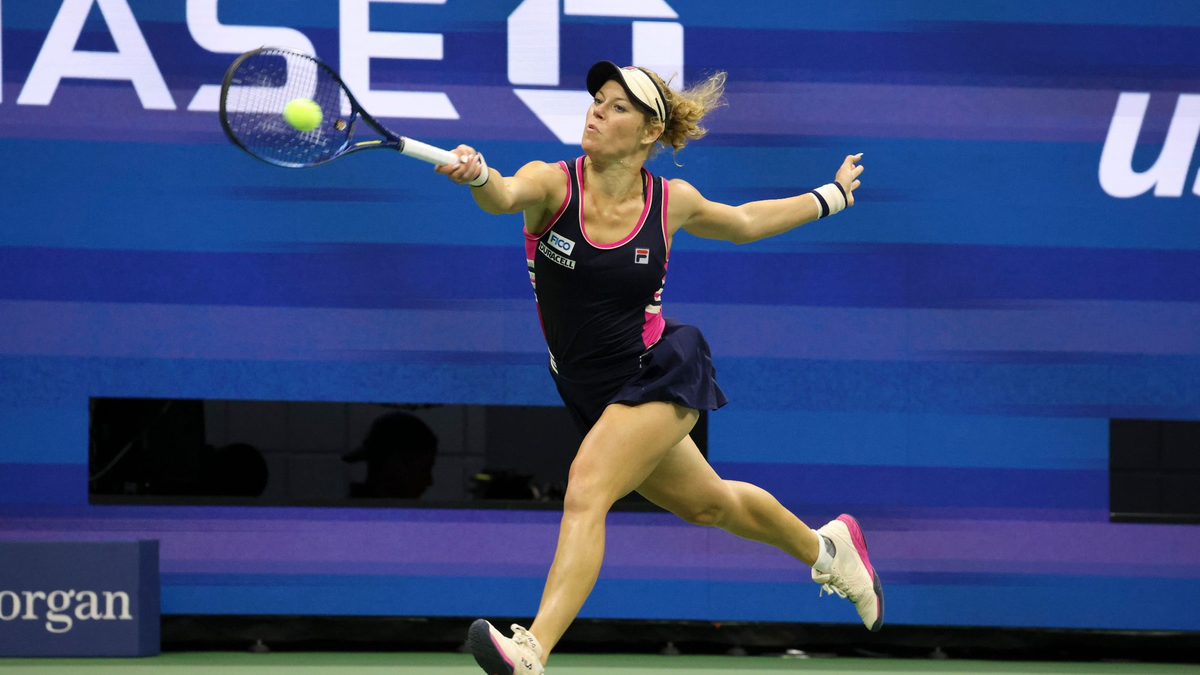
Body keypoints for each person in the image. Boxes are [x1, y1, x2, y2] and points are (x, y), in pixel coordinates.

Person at [435, 61, 879, 674]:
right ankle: (828, 549)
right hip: (591, 388)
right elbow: (502, 195)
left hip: (660, 370)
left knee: (587, 486)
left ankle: (533, 648)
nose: (597, 111)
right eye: (598, 100)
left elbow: (744, 224)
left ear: (649, 132)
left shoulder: (670, 203)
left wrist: (828, 197)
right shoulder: (552, 185)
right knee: (710, 505)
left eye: (618, 106)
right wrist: (479, 173)